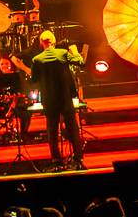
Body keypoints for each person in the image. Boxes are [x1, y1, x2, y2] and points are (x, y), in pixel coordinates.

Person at [30, 30, 85, 170]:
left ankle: (56, 161)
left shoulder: (37, 59)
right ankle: (78, 159)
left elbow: (34, 80)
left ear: (41, 43)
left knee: (52, 130)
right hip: (65, 97)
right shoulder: (63, 53)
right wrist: (75, 51)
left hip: (49, 99)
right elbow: (80, 62)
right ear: (53, 41)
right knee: (72, 127)